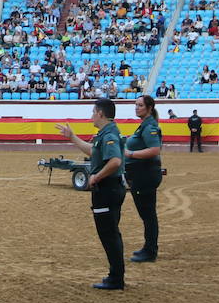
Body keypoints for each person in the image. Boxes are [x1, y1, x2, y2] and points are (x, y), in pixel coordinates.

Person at [57, 98, 126, 290]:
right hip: (111, 188)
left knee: (108, 234)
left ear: (101, 114)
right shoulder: (106, 133)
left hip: (107, 188)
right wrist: (72, 137)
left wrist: (96, 177)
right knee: (111, 233)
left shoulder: (109, 134)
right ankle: (116, 275)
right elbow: (93, 151)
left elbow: (114, 161)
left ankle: (116, 278)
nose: (91, 116)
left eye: (93, 112)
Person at [124, 94, 164, 263]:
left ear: (149, 108)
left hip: (144, 173)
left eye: (140, 105)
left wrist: (130, 153)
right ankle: (148, 247)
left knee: (147, 214)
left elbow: (155, 149)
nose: (136, 107)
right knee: (147, 214)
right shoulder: (145, 125)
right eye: (136, 104)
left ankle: (150, 250)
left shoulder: (149, 127)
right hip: (142, 173)